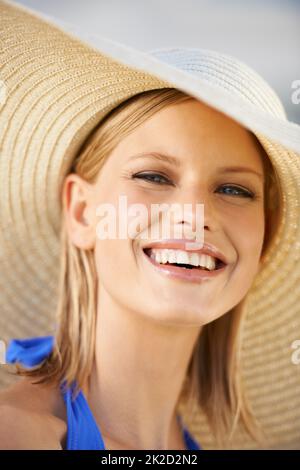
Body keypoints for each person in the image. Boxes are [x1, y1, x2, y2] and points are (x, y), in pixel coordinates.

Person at [0, 0, 299, 450]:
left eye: (235, 190)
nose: (194, 215)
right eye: (154, 177)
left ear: (264, 237)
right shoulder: (19, 434)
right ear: (82, 211)